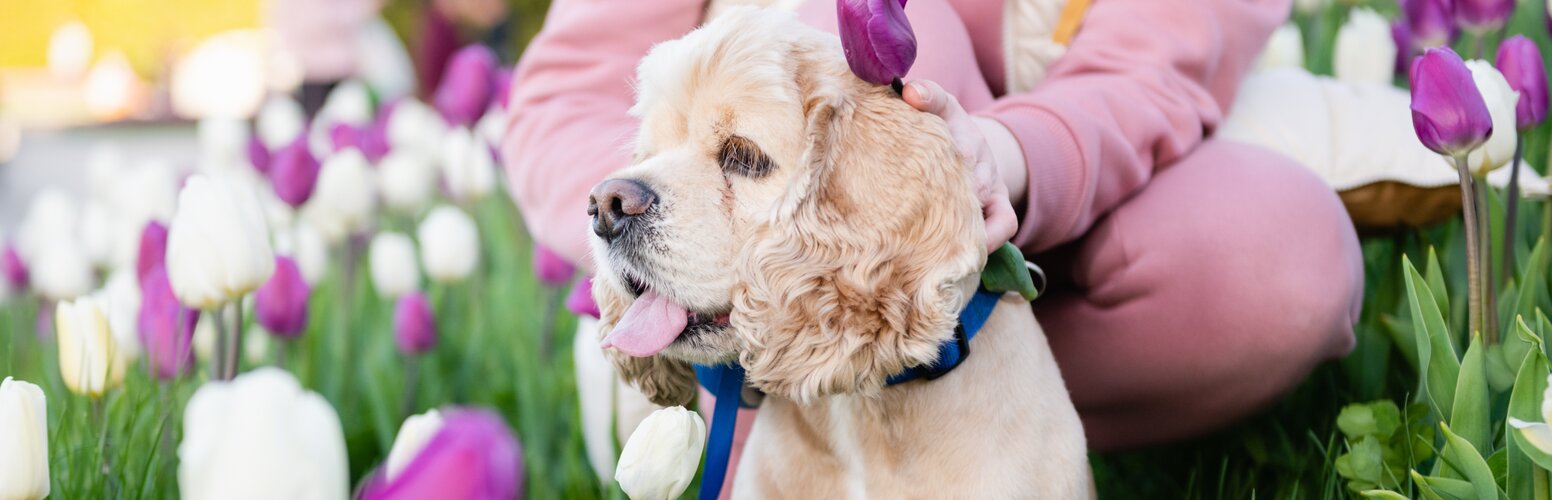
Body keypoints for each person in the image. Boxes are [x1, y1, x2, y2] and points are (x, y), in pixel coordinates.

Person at [505, 0, 1361, 455]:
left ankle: (995, 445)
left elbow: (1146, 69)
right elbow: (562, 97)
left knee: (1285, 257)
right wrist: (678, 195)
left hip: (1053, 223)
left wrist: (997, 155)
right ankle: (764, 424)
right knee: (880, 39)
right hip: (768, 243)